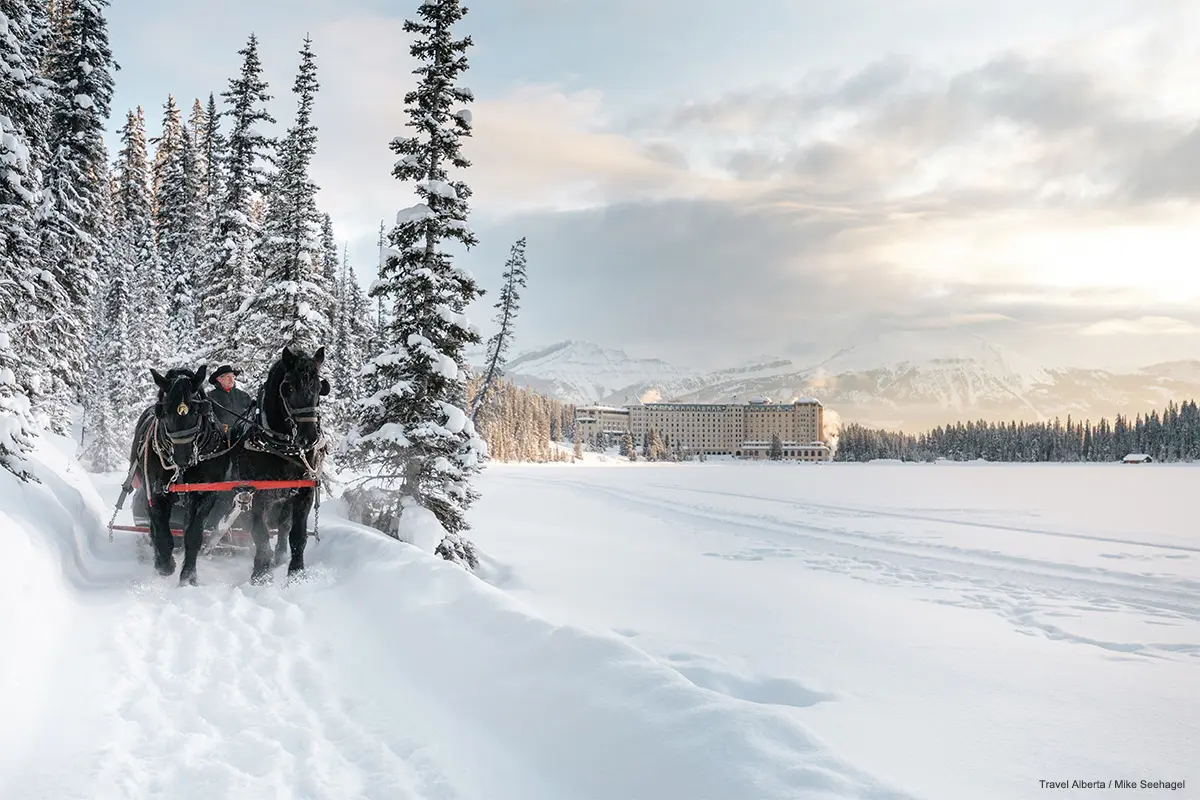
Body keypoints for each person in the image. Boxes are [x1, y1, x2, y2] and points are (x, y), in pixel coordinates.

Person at [207, 364, 254, 439]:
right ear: (219, 379)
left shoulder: (244, 396)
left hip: (244, 438)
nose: (231, 379)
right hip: (221, 440)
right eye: (228, 377)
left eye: (233, 376)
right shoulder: (210, 397)